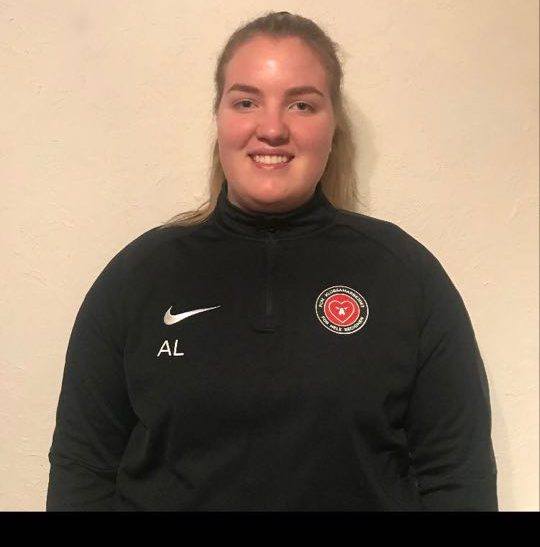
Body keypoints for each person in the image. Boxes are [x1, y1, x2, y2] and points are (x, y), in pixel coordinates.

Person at [46, 10, 498, 511]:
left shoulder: (405, 276)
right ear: (219, 117)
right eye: (246, 101)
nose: (272, 128)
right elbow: (81, 471)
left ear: (333, 125)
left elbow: (458, 477)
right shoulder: (138, 278)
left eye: (302, 104)